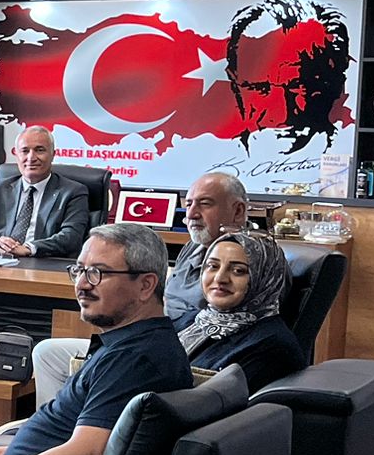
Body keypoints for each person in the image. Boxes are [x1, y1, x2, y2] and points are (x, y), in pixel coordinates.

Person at [0, 223, 192, 455]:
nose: (82, 284)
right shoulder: (138, 344)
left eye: (98, 273)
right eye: (79, 270)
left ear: (146, 285)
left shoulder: (133, 361)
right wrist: (17, 452)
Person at [30, 170, 248, 404]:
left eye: (205, 204)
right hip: (142, 338)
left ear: (238, 211)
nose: (192, 214)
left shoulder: (250, 261)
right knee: (47, 353)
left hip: (169, 354)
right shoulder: (193, 247)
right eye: (189, 204)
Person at [182, 229, 307, 390]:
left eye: (238, 271)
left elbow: (214, 400)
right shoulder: (191, 320)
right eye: (213, 266)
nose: (220, 278)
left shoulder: (273, 347)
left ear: (265, 278)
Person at [0, 126, 90, 262]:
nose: (31, 158)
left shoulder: (73, 192)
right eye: (25, 151)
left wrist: (29, 248)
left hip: (44, 264)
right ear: (16, 155)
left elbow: (71, 237)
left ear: (53, 154)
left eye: (39, 150)